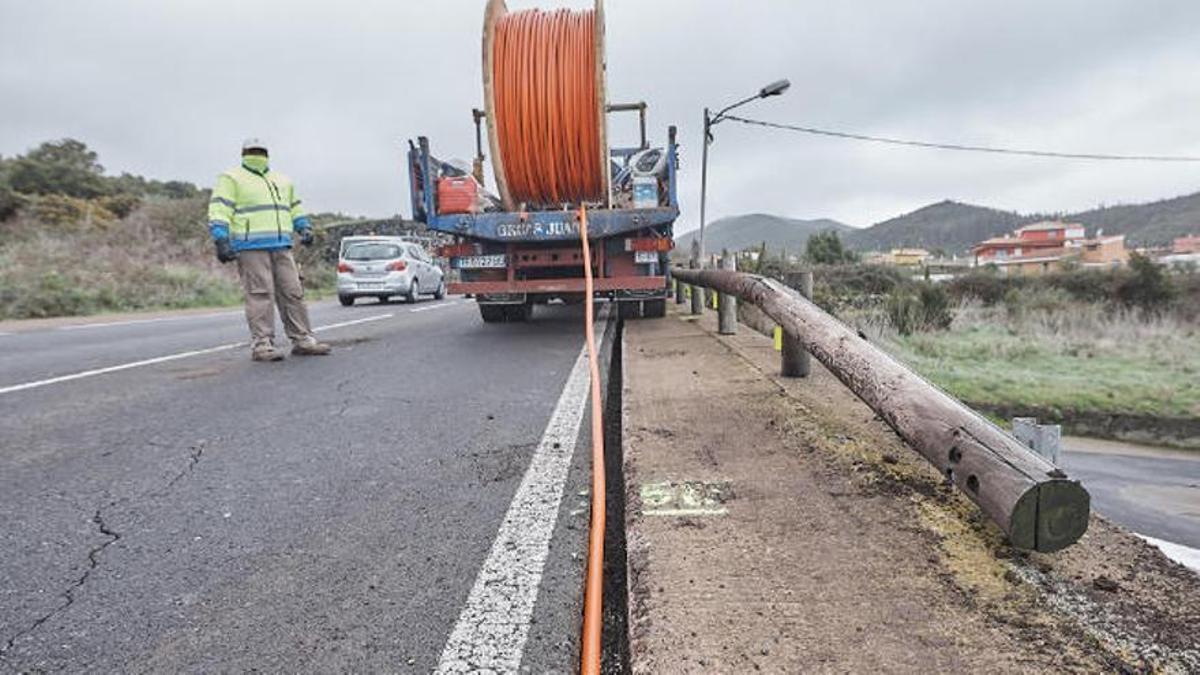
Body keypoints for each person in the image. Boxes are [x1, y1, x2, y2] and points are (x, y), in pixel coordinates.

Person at [208, 139, 332, 361]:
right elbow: (220, 209)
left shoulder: (282, 180)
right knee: (260, 295)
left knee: (293, 292)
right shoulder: (231, 178)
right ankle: (262, 345)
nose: (256, 155)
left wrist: (304, 227)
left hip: (282, 245)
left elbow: (294, 207)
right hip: (250, 247)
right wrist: (221, 238)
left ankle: (303, 339)